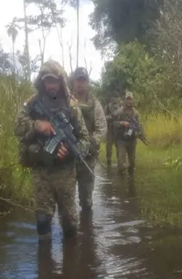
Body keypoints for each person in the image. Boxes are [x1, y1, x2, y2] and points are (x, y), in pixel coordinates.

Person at [14, 60, 90, 239]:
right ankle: (45, 263)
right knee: (43, 219)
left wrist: (71, 151)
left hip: (65, 173)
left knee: (70, 225)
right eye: (48, 81)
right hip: (41, 170)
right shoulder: (32, 103)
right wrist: (37, 125)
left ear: (61, 82)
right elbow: (17, 128)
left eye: (55, 81)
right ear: (42, 82)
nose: (52, 85)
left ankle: (72, 263)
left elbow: (85, 139)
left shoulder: (71, 107)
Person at [69, 67, 107, 211]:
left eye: (83, 80)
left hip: (88, 157)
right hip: (68, 158)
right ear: (74, 82)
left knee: (86, 201)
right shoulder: (66, 101)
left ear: (87, 83)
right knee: (66, 201)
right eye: (78, 80)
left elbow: (102, 128)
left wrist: (92, 142)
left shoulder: (94, 103)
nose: (80, 83)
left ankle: (87, 231)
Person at [113, 91, 144, 176]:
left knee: (132, 163)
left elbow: (140, 126)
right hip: (121, 139)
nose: (129, 101)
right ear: (125, 100)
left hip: (132, 140)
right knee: (121, 163)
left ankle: (131, 181)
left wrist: (137, 133)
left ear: (132, 100)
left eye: (130, 99)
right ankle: (120, 182)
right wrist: (122, 123)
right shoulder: (119, 112)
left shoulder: (136, 113)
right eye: (127, 99)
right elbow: (114, 123)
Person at [104, 94, 122, 166]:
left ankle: (119, 161)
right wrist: (111, 117)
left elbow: (122, 116)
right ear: (111, 99)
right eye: (113, 99)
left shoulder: (120, 107)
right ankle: (109, 160)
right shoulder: (107, 107)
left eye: (116, 99)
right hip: (110, 128)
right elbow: (103, 117)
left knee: (119, 146)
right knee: (109, 146)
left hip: (118, 129)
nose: (115, 100)